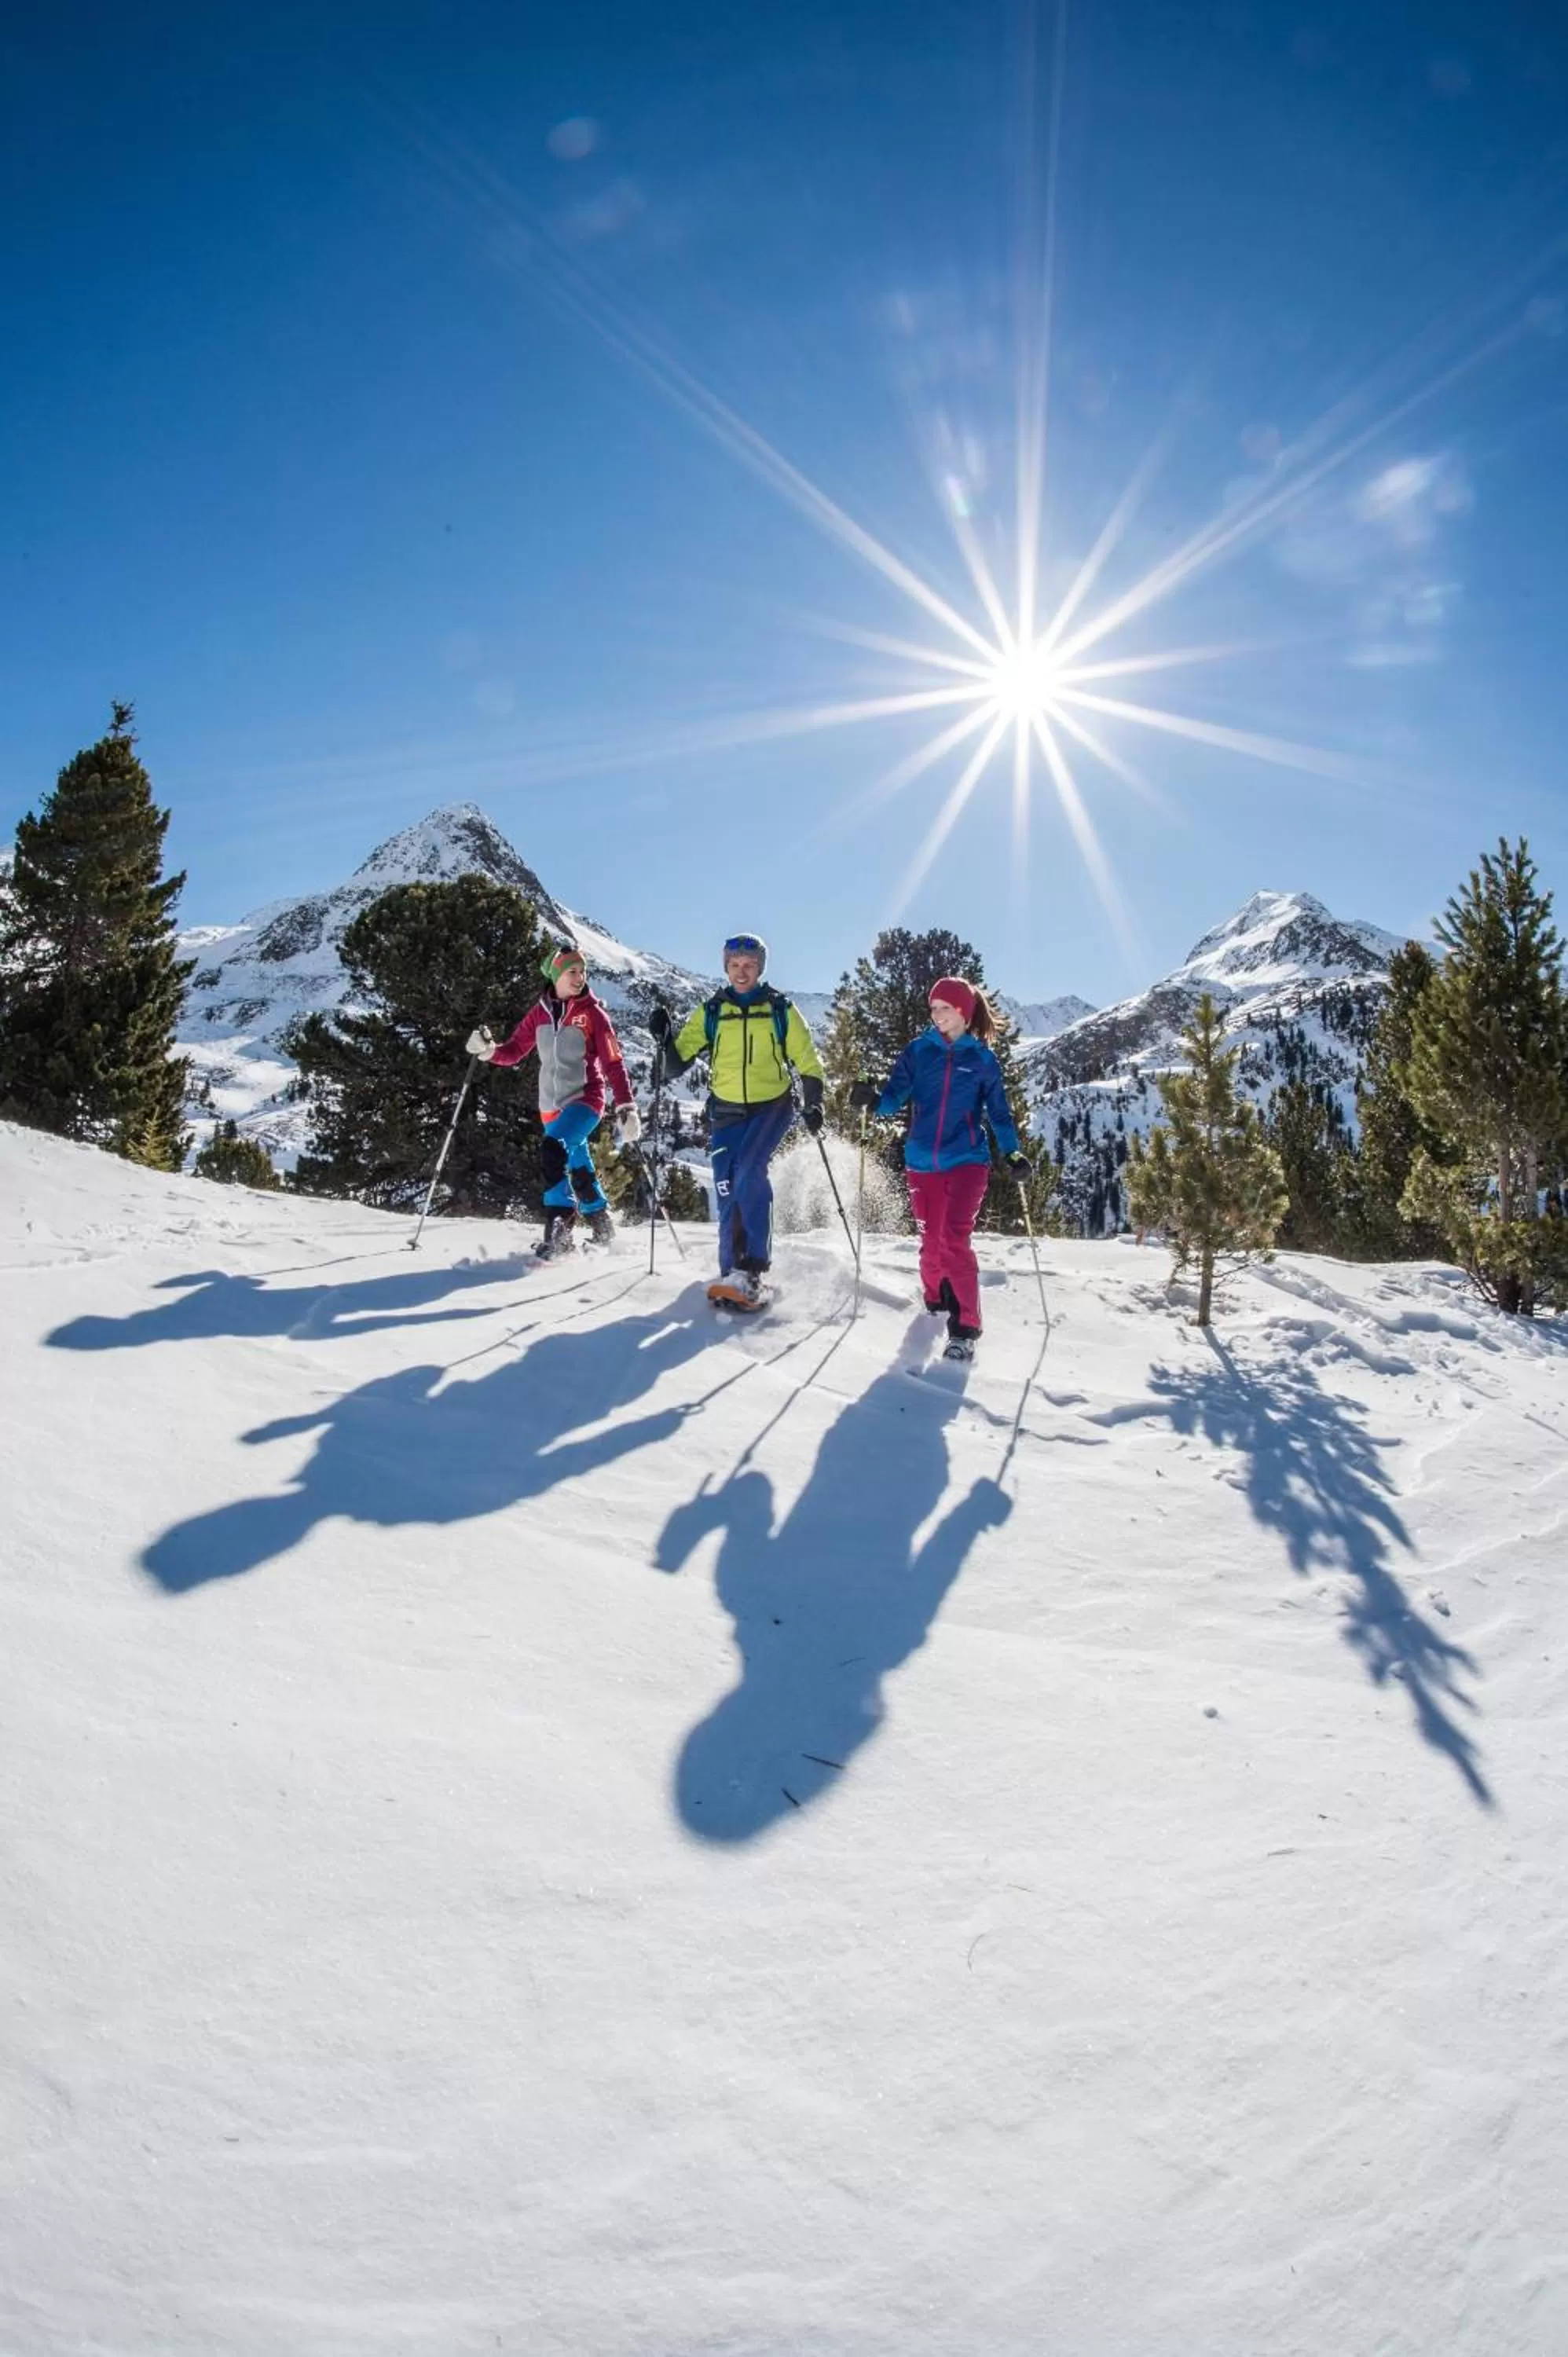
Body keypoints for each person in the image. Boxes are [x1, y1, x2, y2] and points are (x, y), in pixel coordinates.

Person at [849, 976, 1031, 1362]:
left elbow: (999, 1114)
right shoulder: (919, 1052)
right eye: (933, 1009)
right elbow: (894, 1097)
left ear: (963, 1011)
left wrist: (1012, 1153)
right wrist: (871, 1099)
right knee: (931, 1244)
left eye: (944, 1008)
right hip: (920, 1162)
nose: (936, 1015)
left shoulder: (981, 1060)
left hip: (967, 1160)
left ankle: (965, 1328)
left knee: (953, 1239)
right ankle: (936, 1300)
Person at [648, 931, 825, 1310]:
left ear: (759, 968)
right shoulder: (713, 1011)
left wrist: (814, 1101)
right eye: (734, 965)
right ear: (726, 967)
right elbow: (676, 1063)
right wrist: (663, 1040)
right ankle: (731, 1272)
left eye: (749, 966)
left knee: (749, 1171)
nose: (741, 972)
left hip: (772, 1107)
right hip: (726, 1111)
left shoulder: (779, 1009)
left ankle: (752, 1269)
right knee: (727, 1186)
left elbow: (807, 1059)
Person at [467, 944, 640, 1257]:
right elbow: (514, 1051)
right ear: (557, 975)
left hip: (586, 1100)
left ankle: (559, 1228)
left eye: (583, 971)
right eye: (572, 971)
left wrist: (626, 1106)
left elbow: (613, 1062)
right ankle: (602, 1225)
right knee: (578, 1163)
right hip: (551, 1107)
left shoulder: (593, 1014)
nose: (580, 977)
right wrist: (489, 1050)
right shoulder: (540, 1013)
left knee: (553, 1149)